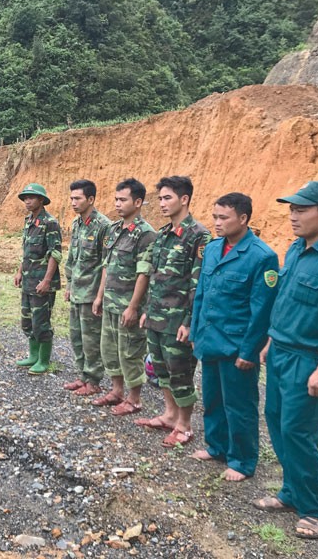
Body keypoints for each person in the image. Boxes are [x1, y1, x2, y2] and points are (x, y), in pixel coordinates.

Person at [252, 181, 318, 541]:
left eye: (301, 209)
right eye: (291, 209)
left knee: (298, 433)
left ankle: (315, 509)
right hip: (281, 352)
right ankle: (291, 492)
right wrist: (271, 338)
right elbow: (286, 298)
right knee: (275, 420)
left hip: (309, 359)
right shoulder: (297, 248)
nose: (292, 216)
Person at [190, 193, 278, 481]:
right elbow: (202, 294)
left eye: (223, 217)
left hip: (236, 345)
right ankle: (217, 447)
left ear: (243, 219)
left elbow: (261, 310)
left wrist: (250, 350)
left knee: (239, 405)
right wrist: (195, 331)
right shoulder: (214, 249)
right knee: (212, 399)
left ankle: (242, 460)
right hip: (210, 339)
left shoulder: (262, 256)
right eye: (215, 216)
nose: (216, 223)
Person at [137, 175, 211, 447]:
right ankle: (169, 415)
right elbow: (156, 276)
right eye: (159, 198)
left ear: (184, 199)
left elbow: (197, 282)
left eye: (167, 198)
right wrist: (147, 309)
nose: (162, 203)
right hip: (157, 316)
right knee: (161, 371)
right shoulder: (164, 234)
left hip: (178, 320)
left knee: (180, 373)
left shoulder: (198, 236)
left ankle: (184, 425)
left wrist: (190, 321)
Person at [92, 178, 156, 414]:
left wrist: (133, 307)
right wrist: (99, 296)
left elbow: (144, 274)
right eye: (116, 199)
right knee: (109, 349)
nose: (117, 204)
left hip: (128, 305)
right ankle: (116, 390)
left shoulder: (146, 234)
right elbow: (106, 266)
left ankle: (134, 398)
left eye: (123, 200)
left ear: (137, 202)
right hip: (111, 301)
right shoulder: (114, 230)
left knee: (130, 352)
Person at [62, 179, 111, 397]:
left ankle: (94, 380)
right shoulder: (76, 224)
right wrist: (69, 284)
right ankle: (82, 376)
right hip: (77, 291)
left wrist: (99, 296)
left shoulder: (103, 226)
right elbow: (72, 258)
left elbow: (106, 264)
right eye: (71, 198)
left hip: (91, 294)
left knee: (91, 340)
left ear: (90, 199)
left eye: (77, 198)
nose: (73, 202)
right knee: (77, 337)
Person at [14, 183, 62, 374]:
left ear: (41, 200)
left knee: (41, 322)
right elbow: (26, 251)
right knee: (27, 321)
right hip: (28, 280)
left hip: (42, 283)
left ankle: (43, 361)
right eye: (25, 197)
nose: (27, 200)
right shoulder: (28, 221)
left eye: (31, 197)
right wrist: (19, 272)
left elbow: (55, 253)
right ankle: (33, 356)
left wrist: (47, 280)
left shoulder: (49, 223)